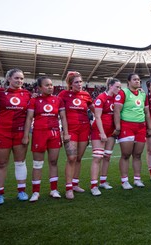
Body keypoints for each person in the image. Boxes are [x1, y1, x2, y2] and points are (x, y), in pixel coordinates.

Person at [22, 77, 70, 201]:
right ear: (39, 88)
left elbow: (63, 118)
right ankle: (35, 192)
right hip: (39, 134)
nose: (50, 87)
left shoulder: (58, 100)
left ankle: (53, 190)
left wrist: (65, 133)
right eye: (47, 85)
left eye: (51, 85)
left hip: (54, 134)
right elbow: (29, 118)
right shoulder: (34, 100)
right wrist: (26, 135)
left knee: (53, 162)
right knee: (37, 164)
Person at [0, 68, 31, 204]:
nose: (19, 81)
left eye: (21, 78)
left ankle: (21, 191)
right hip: (2, 132)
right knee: (1, 163)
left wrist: (26, 135)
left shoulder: (27, 94)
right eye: (16, 78)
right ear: (9, 78)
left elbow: (29, 116)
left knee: (20, 162)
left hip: (20, 133)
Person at [58, 71, 93, 199]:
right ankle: (68, 188)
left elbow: (96, 110)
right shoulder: (63, 95)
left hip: (84, 129)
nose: (79, 84)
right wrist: (65, 132)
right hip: (70, 130)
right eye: (76, 82)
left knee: (78, 158)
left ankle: (75, 184)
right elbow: (56, 109)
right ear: (70, 84)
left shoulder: (86, 95)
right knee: (71, 158)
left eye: (80, 82)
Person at [114, 73, 151, 190]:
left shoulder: (142, 94)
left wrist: (149, 127)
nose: (137, 81)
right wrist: (118, 127)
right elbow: (116, 110)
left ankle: (137, 179)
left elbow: (146, 112)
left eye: (139, 80)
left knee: (138, 154)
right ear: (128, 82)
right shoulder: (123, 93)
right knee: (126, 154)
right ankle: (124, 180)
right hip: (127, 126)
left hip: (141, 127)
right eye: (135, 79)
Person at [89, 78, 121, 196]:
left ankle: (103, 181)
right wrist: (102, 133)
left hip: (111, 132)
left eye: (120, 87)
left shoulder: (117, 99)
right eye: (117, 87)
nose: (119, 89)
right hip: (99, 131)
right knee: (97, 157)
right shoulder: (101, 98)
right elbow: (97, 116)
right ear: (110, 86)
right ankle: (93, 185)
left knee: (107, 157)